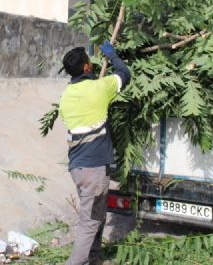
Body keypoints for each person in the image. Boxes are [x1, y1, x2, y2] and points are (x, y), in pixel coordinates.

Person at [59, 40, 131, 265]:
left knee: (97, 216)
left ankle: (94, 259)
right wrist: (113, 56)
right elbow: (125, 74)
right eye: (90, 62)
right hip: (95, 170)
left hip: (79, 169)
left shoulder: (66, 97)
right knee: (89, 221)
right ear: (87, 68)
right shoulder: (100, 88)